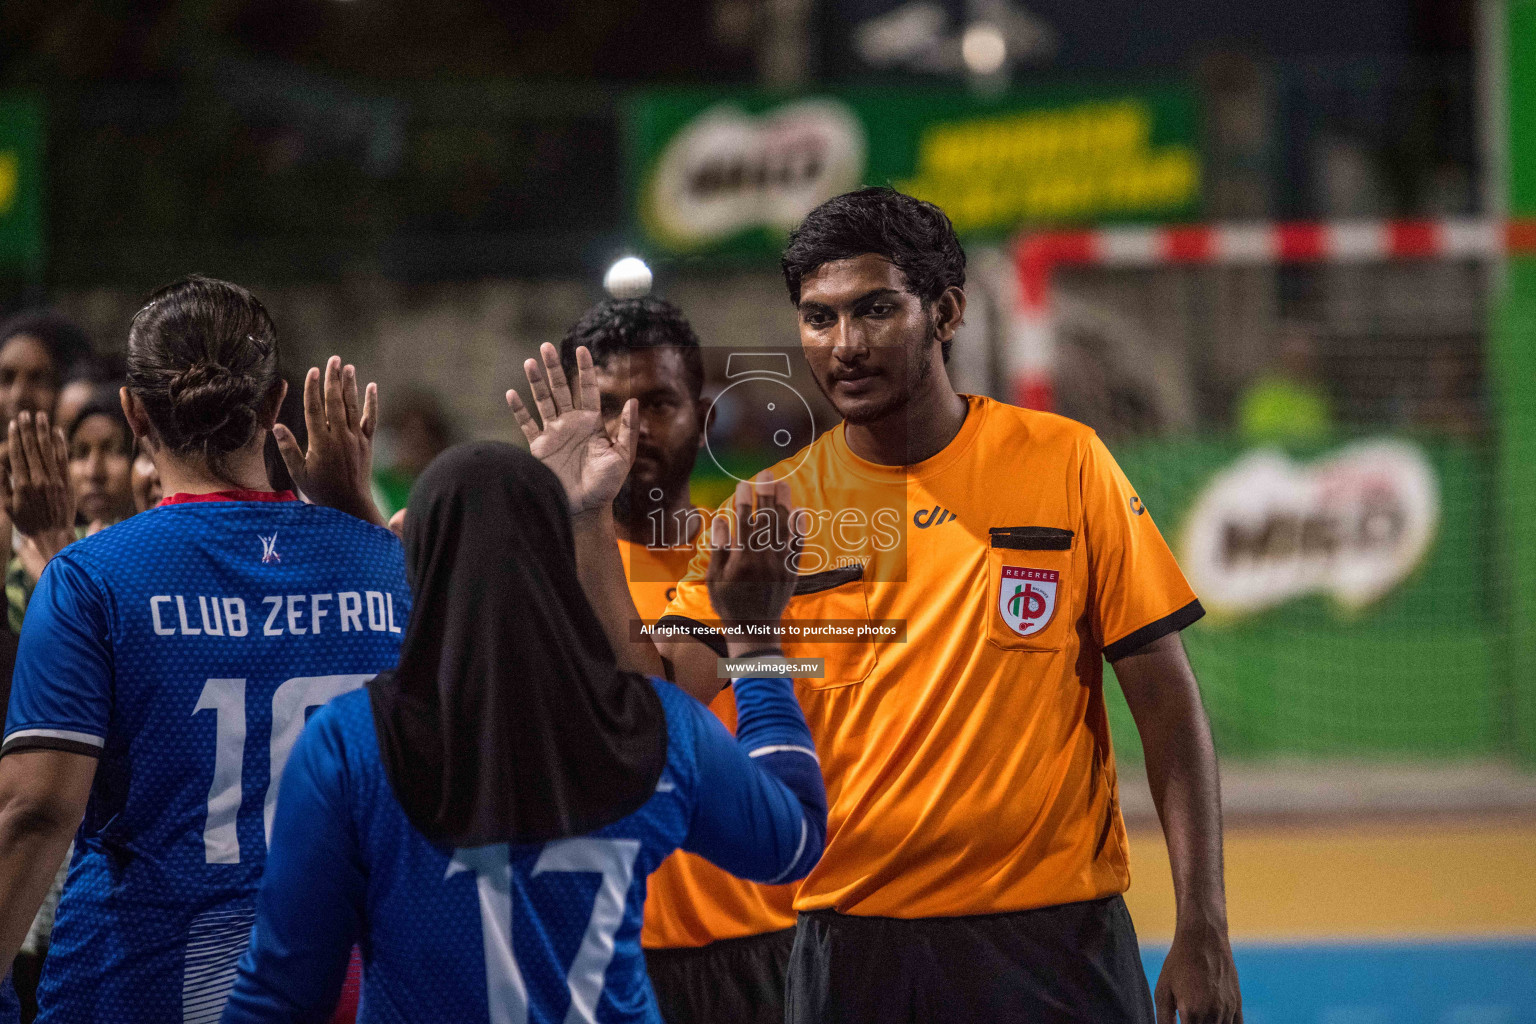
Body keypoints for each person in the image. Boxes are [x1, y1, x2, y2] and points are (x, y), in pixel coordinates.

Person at [654, 188, 1243, 1024]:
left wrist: (1204, 924)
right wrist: (577, 514)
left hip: (1054, 945)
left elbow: (1165, 700)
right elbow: (657, 685)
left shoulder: (1065, 463)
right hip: (851, 950)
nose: (845, 345)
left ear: (948, 310)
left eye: (876, 310)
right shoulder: (773, 506)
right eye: (819, 319)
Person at [222, 346, 827, 1024]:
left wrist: (354, 529)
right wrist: (757, 643)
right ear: (555, 564)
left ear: (421, 564)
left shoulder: (349, 745)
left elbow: (281, 992)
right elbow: (794, 843)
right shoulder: (651, 727)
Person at [0, 275, 406, 1023]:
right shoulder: (389, 568)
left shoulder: (91, 580)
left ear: (132, 411)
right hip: (345, 983)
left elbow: (35, 812)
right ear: (275, 402)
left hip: (141, 982)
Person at [558, 299, 799, 1024]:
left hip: (766, 943)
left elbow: (654, 705)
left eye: (658, 403)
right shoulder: (535, 569)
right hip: (598, 951)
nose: (630, 429)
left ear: (701, 413)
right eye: (605, 407)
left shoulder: (753, 553)